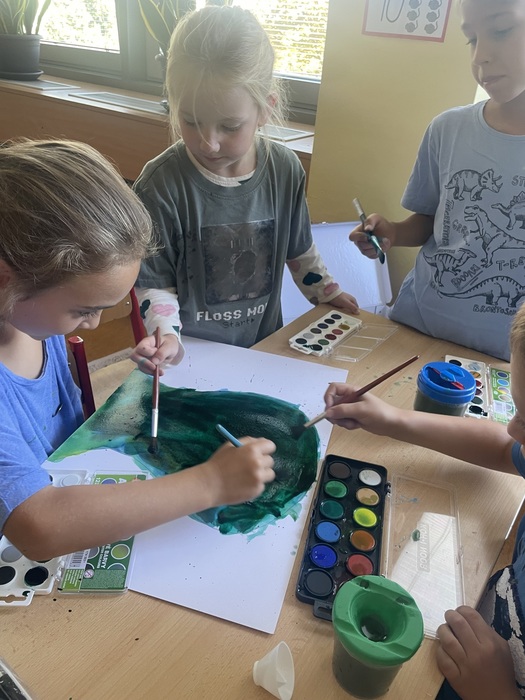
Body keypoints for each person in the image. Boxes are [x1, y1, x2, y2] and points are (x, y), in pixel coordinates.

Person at [0, 138, 276, 562]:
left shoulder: (27, 318)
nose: (94, 324)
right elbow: (38, 527)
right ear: (6, 280)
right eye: (83, 310)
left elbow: (66, 434)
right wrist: (210, 483)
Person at [131, 5, 359, 375]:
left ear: (265, 109)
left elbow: (299, 249)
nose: (209, 143)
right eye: (190, 121)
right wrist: (166, 337)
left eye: (230, 126)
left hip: (265, 348)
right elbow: (155, 285)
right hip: (193, 358)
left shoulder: (285, 170)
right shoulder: (160, 184)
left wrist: (326, 293)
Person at [322, 306, 525, 700]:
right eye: (518, 410)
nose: (514, 429)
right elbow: (505, 449)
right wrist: (393, 420)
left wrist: (497, 693)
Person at [350, 0, 525, 362]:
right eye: (471, 39)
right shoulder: (448, 128)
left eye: (501, 30)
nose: (480, 55)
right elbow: (431, 221)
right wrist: (393, 233)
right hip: (416, 326)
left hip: (504, 360)